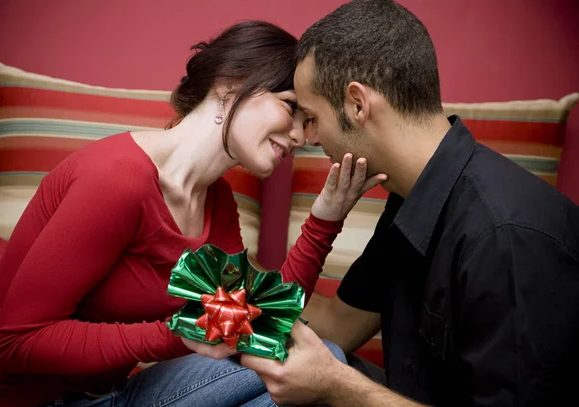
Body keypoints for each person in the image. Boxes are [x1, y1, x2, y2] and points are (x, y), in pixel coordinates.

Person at [0, 20, 385, 407]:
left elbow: (263, 320)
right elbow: (19, 342)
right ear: (230, 85)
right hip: (32, 401)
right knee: (321, 360)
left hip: (107, 395)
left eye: (307, 121)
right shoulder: (117, 181)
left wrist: (325, 219)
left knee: (306, 381)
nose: (302, 135)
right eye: (290, 107)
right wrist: (178, 334)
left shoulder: (217, 201)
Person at [241, 1, 579, 406]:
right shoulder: (412, 197)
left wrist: (337, 385)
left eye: (312, 118)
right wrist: (221, 268)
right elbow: (338, 325)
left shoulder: (505, 237)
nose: (310, 138)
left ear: (357, 104)